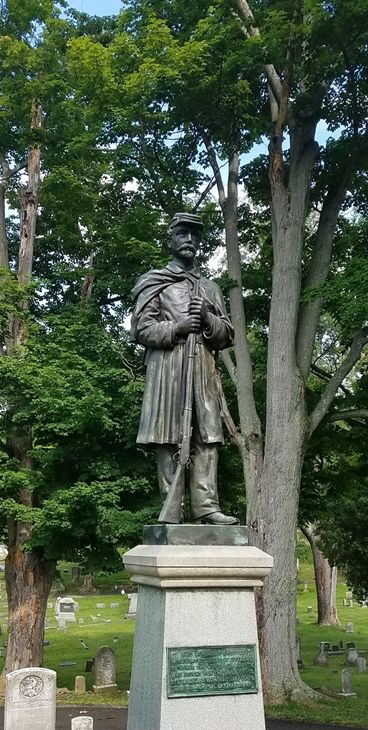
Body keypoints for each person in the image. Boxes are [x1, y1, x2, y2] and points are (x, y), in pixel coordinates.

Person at [131, 212, 238, 525]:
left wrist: (207, 318)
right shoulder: (155, 284)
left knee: (208, 436)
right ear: (172, 239)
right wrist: (177, 326)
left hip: (202, 370)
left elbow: (226, 334)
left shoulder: (210, 289)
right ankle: (171, 510)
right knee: (167, 436)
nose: (189, 240)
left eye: (194, 235)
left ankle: (207, 506)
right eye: (182, 233)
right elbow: (141, 328)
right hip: (167, 369)